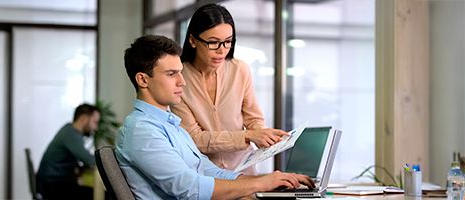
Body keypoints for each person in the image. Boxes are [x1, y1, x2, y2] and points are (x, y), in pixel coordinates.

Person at [116, 35, 314, 199]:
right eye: (171, 74)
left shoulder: (171, 125)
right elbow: (190, 189)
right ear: (143, 79)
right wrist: (260, 184)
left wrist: (268, 181)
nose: (182, 82)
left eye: (181, 73)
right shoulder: (141, 130)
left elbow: (210, 172)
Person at [170, 3, 287, 175]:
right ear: (193, 40)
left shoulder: (240, 69)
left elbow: (253, 118)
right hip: (204, 176)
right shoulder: (178, 78)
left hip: (243, 173)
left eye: (227, 42)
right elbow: (194, 138)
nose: (222, 50)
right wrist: (247, 136)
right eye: (213, 43)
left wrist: (263, 133)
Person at [37, 103, 100, 199]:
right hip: (53, 186)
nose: (96, 128)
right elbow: (89, 160)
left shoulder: (68, 129)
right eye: (95, 122)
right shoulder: (71, 134)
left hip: (51, 183)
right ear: (84, 118)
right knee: (101, 195)